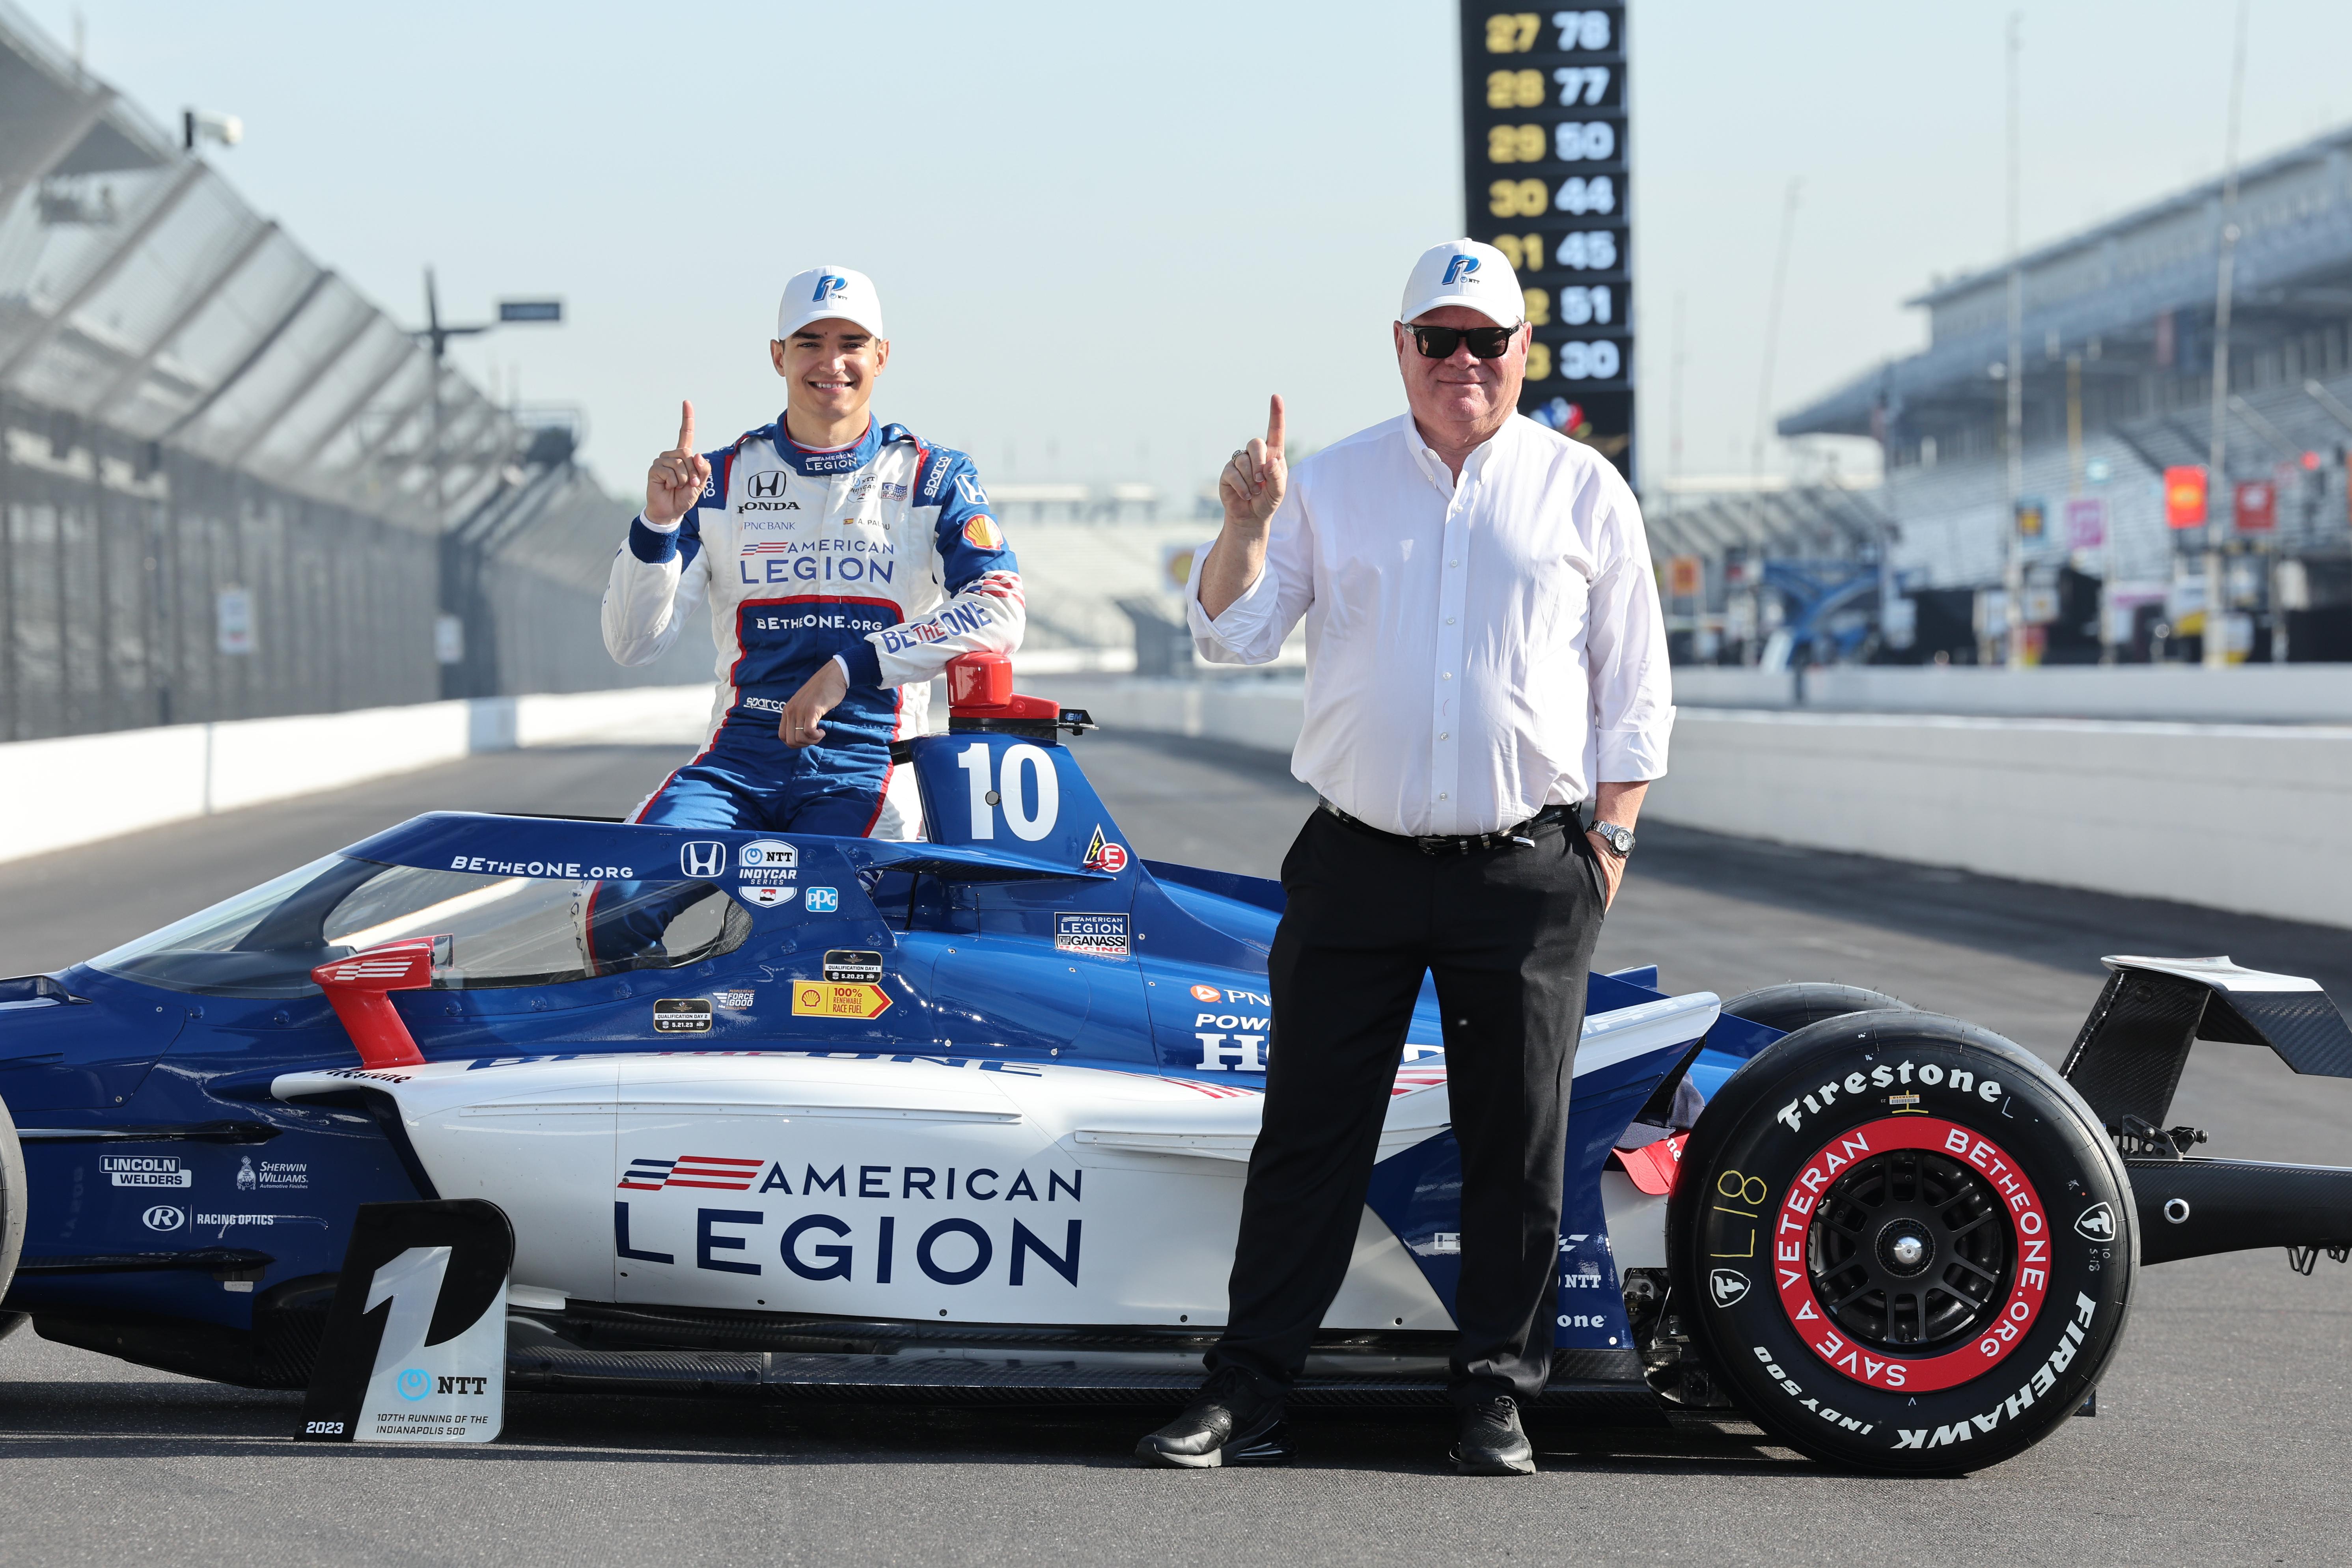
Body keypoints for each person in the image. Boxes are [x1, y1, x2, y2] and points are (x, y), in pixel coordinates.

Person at [1134, 240, 1673, 1475]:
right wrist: (1242, 525)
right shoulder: (1328, 482)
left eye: (1486, 340)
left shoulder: (1583, 489)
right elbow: (1229, 634)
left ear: (1521, 351)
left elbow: (1632, 693)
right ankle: (1250, 1391)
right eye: (1438, 340)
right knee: (1308, 1137)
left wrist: (1610, 844)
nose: (1463, 364)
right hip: (1355, 859)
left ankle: (1493, 1390)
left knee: (1514, 1139)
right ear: (1401, 350)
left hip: (1526, 868)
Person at [593, 265, 1022, 958]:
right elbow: (631, 643)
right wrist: (657, 524)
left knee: (821, 936)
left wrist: (847, 670)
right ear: (778, 356)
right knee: (617, 902)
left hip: (867, 761)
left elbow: (999, 606)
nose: (832, 362)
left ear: (881, 356)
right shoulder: (719, 479)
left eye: (852, 342)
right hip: (736, 762)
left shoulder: (931, 476)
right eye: (810, 342)